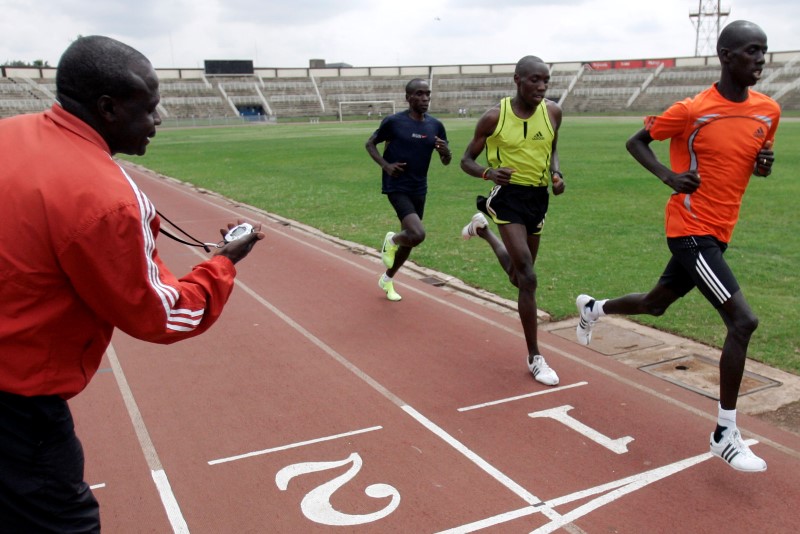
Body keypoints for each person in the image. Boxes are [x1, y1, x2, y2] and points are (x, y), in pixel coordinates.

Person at [0, 36, 264, 531]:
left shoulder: (8, 134)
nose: (158, 120)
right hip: (19, 412)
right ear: (108, 107)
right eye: (150, 108)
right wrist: (224, 263)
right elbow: (161, 314)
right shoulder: (109, 199)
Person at [575, 20, 779, 472]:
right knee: (743, 321)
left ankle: (593, 308)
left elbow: (755, 164)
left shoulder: (768, 111)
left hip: (721, 231)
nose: (761, 59)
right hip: (690, 227)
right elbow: (637, 141)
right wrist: (668, 176)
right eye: (751, 51)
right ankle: (724, 432)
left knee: (656, 303)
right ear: (726, 56)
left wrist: (764, 165)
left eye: (764, 51)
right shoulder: (692, 109)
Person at [460, 56, 565, 386]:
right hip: (508, 198)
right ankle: (535, 356)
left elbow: (553, 148)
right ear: (518, 80)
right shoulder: (494, 117)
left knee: (519, 278)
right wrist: (488, 172)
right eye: (535, 80)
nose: (542, 86)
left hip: (538, 198)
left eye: (546, 80)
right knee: (529, 277)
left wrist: (557, 173)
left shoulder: (553, 112)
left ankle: (482, 231)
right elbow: (466, 160)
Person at [365, 78, 452, 301]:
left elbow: (446, 160)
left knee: (411, 240)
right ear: (408, 97)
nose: (425, 98)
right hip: (396, 185)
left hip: (419, 187)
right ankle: (391, 240)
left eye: (427, 94)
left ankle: (387, 278)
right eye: (419, 94)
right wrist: (386, 165)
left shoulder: (435, 125)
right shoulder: (394, 122)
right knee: (417, 233)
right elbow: (370, 144)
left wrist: (445, 152)